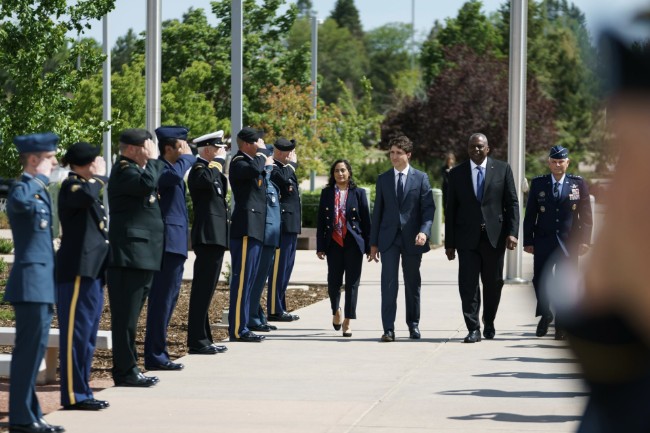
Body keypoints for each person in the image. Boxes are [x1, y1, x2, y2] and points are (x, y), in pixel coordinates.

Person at [6, 132, 65, 433]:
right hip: (30, 282)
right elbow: (16, 200)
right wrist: (35, 179)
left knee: (34, 351)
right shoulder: (25, 189)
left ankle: (30, 413)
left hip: (41, 282)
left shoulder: (39, 191)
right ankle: (21, 418)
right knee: (28, 352)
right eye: (50, 159)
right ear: (33, 160)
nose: (55, 164)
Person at [444, 133, 519, 343]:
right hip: (466, 239)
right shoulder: (457, 173)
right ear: (467, 149)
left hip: (494, 237)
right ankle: (473, 327)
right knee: (468, 284)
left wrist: (512, 233)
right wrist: (449, 243)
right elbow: (450, 210)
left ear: (488, 148)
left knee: (493, 283)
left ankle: (490, 321)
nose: (476, 150)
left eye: (479, 147)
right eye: (472, 147)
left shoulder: (502, 169)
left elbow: (512, 202)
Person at [107, 128, 164, 387]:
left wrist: (150, 163)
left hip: (141, 255)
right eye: (146, 147)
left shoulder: (137, 170)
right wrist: (153, 161)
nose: (150, 151)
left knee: (131, 318)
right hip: (130, 256)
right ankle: (125, 370)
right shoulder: (123, 170)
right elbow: (146, 186)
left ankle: (131, 367)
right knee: (125, 319)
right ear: (131, 149)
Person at [56, 142, 110, 411]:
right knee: (75, 336)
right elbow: (86, 196)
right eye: (96, 160)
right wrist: (99, 176)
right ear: (87, 163)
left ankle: (83, 390)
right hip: (76, 271)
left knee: (87, 335)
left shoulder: (85, 187)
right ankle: (74, 394)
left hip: (92, 270)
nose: (100, 162)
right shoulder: (72, 186)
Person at [369, 135, 435, 342]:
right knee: (388, 284)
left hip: (413, 239)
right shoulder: (383, 179)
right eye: (392, 153)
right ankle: (388, 329)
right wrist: (373, 243)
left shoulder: (421, 178)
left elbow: (428, 209)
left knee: (412, 283)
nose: (394, 156)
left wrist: (424, 231)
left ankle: (413, 325)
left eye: (398, 153)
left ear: (408, 155)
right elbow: (377, 212)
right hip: (388, 239)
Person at [523, 145, 592, 340]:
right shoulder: (539, 184)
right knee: (539, 280)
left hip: (568, 243)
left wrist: (585, 240)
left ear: (567, 163)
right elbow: (530, 215)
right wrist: (528, 240)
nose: (557, 165)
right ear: (549, 163)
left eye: (561, 161)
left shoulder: (578, 184)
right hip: (543, 240)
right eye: (553, 161)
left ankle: (561, 325)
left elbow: (586, 216)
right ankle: (545, 314)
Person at [143, 126, 195, 371]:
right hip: (166, 244)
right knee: (161, 301)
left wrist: (184, 158)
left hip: (174, 244)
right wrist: (187, 158)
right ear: (168, 149)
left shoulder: (171, 168)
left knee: (168, 300)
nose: (185, 150)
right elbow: (173, 177)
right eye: (180, 146)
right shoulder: (161, 168)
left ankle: (159, 352)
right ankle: (155, 355)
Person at [227, 127, 273, 342]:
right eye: (256, 142)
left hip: (254, 228)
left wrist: (263, 156)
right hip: (245, 228)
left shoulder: (252, 162)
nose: (260, 145)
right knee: (242, 280)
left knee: (250, 279)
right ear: (246, 144)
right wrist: (263, 154)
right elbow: (255, 170)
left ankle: (243, 325)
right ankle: (237, 328)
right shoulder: (239, 162)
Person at [186, 130, 230, 354]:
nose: (222, 151)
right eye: (219, 148)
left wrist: (219, 167)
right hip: (207, 237)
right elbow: (205, 182)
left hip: (216, 237)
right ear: (209, 150)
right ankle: (196, 341)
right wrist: (217, 163)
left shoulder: (212, 171)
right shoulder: (199, 170)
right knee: (202, 290)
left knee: (207, 290)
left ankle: (204, 338)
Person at [317, 159, 371, 337]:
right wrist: (320, 246)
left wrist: (370, 246)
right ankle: (336, 311)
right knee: (333, 282)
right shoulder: (326, 193)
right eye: (336, 171)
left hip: (353, 243)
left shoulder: (359, 193)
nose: (340, 174)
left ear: (349, 172)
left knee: (352, 284)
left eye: (343, 170)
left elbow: (367, 222)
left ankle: (348, 320)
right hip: (333, 243)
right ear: (333, 175)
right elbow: (320, 222)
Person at [247, 143, 281, 333]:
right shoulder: (263, 180)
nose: (272, 162)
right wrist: (265, 169)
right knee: (257, 279)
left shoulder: (271, 183)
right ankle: (252, 317)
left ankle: (257, 314)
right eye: (269, 157)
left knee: (261, 281)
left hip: (271, 237)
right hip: (264, 236)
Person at [266, 138, 301, 322]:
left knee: (286, 267)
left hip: (291, 225)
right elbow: (281, 179)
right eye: (290, 152)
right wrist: (292, 166)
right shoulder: (274, 168)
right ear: (281, 153)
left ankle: (280, 306)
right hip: (283, 225)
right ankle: (273, 308)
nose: (292, 156)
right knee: (279, 268)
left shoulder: (285, 168)